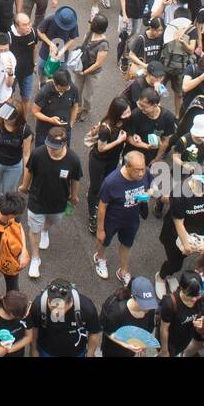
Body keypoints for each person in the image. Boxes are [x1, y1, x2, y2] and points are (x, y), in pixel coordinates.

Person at [18, 126, 82, 280]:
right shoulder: (38, 153)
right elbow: (30, 170)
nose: (51, 150)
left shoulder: (73, 160)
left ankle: (45, 231)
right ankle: (35, 258)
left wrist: (74, 196)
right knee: (34, 230)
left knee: (52, 221)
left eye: (55, 148)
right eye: (49, 145)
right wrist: (24, 186)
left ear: (65, 144)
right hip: (37, 199)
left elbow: (75, 179)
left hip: (59, 201)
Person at [93, 151, 150, 283]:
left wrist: (149, 192)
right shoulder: (111, 181)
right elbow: (102, 206)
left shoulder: (146, 172)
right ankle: (99, 258)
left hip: (132, 219)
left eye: (142, 169)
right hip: (112, 219)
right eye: (137, 170)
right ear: (128, 166)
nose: (141, 173)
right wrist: (100, 229)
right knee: (103, 241)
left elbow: (150, 187)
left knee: (127, 244)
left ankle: (123, 270)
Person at [31, 277, 102, 358]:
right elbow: (34, 328)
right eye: (52, 306)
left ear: (70, 302)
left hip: (77, 353)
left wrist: (90, 354)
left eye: (60, 308)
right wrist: (34, 350)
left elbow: (94, 332)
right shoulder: (38, 305)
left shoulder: (87, 308)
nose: (55, 312)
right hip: (46, 352)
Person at [157, 271, 204, 357]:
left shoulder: (201, 298)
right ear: (181, 289)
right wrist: (164, 350)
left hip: (185, 338)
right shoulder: (170, 303)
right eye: (190, 296)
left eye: (197, 295)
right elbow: (164, 328)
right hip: (170, 341)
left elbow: (202, 312)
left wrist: (200, 320)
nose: (194, 299)